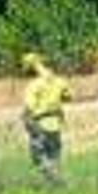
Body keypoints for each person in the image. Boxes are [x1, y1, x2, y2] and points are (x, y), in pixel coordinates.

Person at [21, 53, 72, 186]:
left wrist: (26, 119)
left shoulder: (33, 85)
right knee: (54, 156)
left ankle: (57, 181)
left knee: (38, 157)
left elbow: (30, 108)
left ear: (30, 68)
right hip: (56, 125)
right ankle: (55, 183)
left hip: (40, 125)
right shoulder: (59, 81)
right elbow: (69, 97)